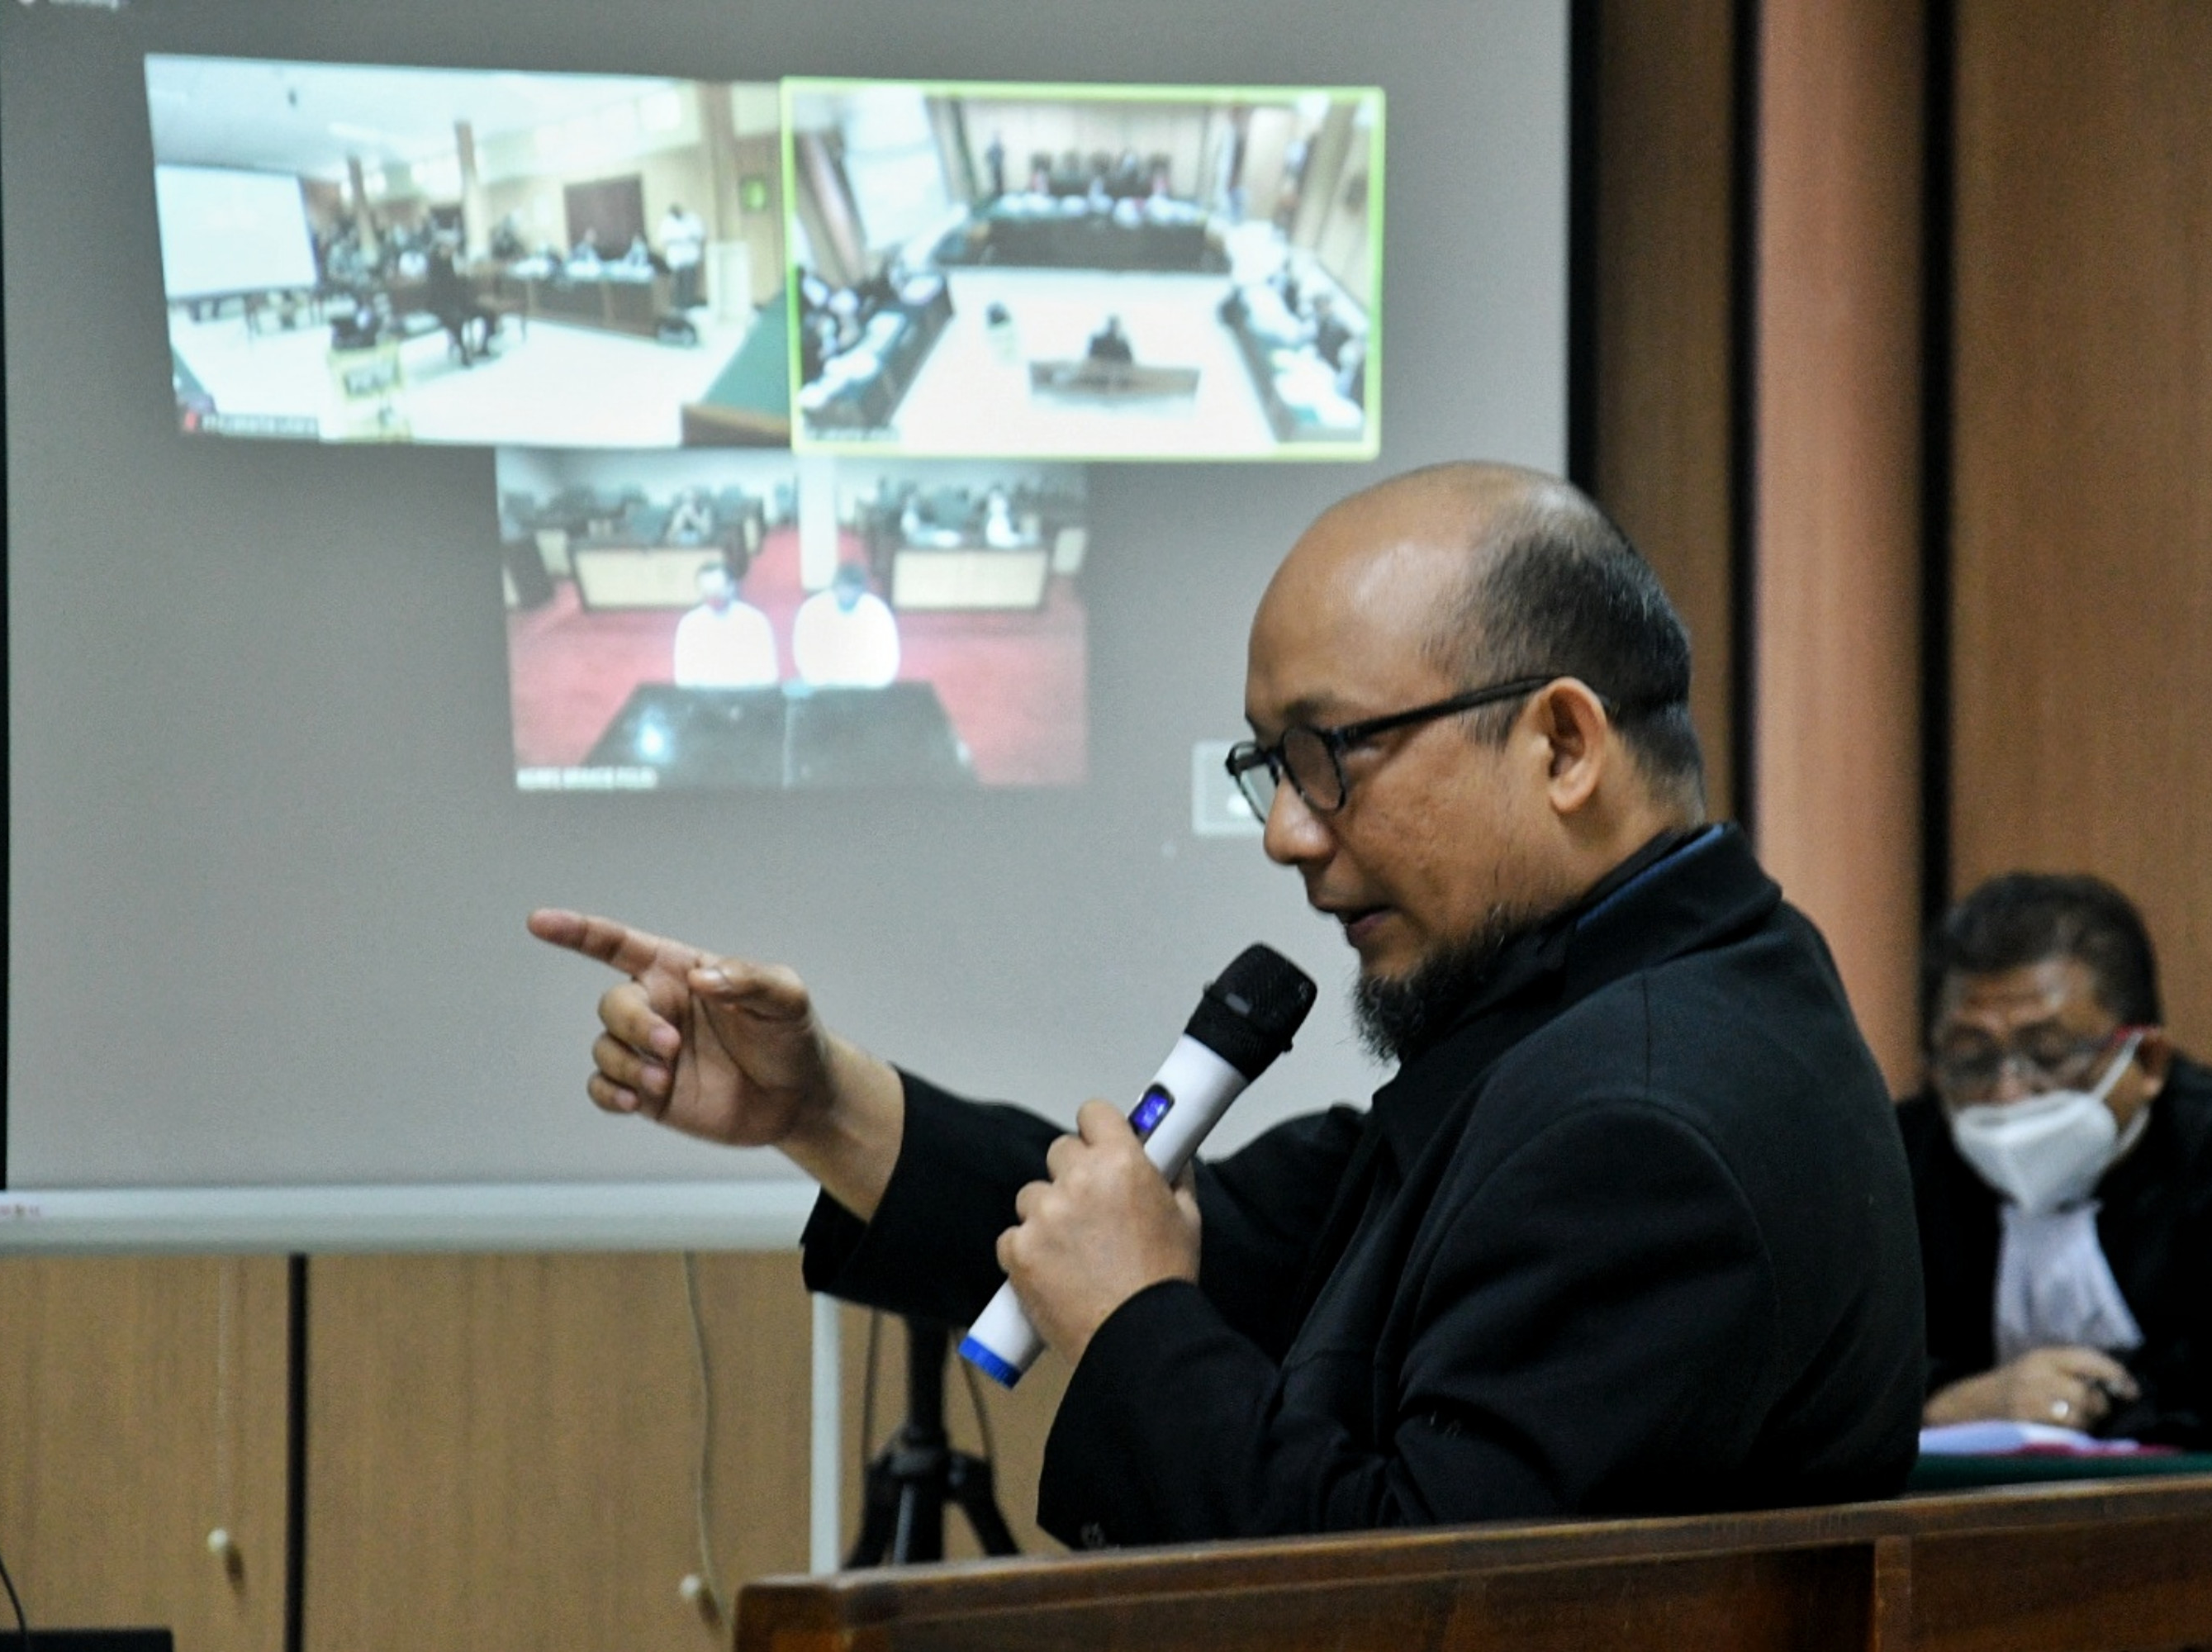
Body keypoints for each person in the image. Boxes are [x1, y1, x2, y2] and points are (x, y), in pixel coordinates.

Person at [529, 463, 1925, 1547]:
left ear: (1562, 743)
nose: (1288, 835)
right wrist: (819, 1103)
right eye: (1274, 768)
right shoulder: (1606, 1005)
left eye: (1331, 756)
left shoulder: (1642, 1125)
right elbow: (1197, 1237)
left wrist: (1141, 1326)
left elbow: (1414, 1605)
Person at [1898, 873, 2212, 1450]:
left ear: (2149, 1059)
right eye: (1970, 1059)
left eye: (2050, 1054)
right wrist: (1948, 1400)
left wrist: (2098, 1405)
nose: (2008, 1092)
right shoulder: (1896, 1164)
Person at [790, 563, 901, 689]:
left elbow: (887, 656)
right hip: (822, 688)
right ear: (835, 587)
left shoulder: (877, 611)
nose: (848, 594)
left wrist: (869, 684)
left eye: (853, 589)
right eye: (844, 588)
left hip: (866, 690)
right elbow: (804, 653)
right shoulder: (813, 610)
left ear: (861, 590)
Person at [669, 563, 777, 690]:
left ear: (731, 587)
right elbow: (684, 676)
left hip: (747, 696)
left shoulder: (755, 621)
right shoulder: (689, 624)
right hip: (705, 700)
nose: (713, 598)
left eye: (717, 591)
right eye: (707, 593)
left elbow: (768, 673)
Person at [659, 202, 706, 310]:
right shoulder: (667, 222)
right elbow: (664, 239)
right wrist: (678, 239)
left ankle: (689, 303)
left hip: (690, 255)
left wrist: (688, 238)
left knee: (689, 281)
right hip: (676, 257)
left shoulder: (692, 219)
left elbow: (700, 235)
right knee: (677, 282)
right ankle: (678, 304)